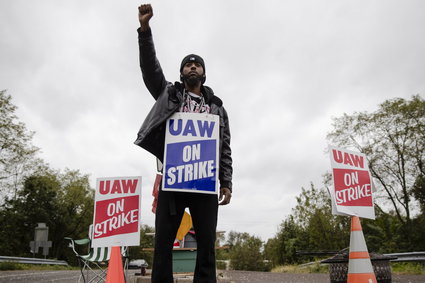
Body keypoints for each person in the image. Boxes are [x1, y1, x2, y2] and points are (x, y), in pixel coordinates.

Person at [135, 4, 233, 283]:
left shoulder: (217, 108)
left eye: (197, 64)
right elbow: (150, 69)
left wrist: (226, 181)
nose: (192, 66)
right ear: (182, 73)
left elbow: (224, 147)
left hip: (204, 181)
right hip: (173, 180)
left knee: (206, 248)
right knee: (164, 244)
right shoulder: (169, 94)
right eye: (187, 64)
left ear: (203, 72)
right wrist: (145, 31)